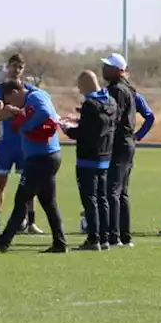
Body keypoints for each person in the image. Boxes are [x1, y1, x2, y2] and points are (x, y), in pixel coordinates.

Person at [0, 81, 68, 254]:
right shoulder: (32, 100)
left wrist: (25, 127)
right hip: (45, 157)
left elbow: (45, 112)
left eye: (9, 101)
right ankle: (60, 243)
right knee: (49, 203)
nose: (10, 105)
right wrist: (18, 114)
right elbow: (35, 114)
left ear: (14, 92)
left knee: (21, 199)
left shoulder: (35, 96)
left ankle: (3, 242)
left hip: (41, 159)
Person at [99, 53, 154, 247]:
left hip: (119, 143)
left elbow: (114, 117)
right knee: (121, 192)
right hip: (127, 143)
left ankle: (113, 237)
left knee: (112, 191)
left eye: (107, 66)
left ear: (118, 70)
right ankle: (125, 236)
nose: (103, 69)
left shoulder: (117, 90)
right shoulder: (129, 89)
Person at [61, 70, 116, 251]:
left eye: (79, 85)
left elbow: (83, 133)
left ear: (85, 85)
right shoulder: (110, 101)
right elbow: (98, 125)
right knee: (102, 199)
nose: (78, 89)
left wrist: (66, 128)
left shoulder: (90, 104)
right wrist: (78, 119)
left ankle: (93, 239)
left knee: (89, 199)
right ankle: (105, 239)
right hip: (105, 156)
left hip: (87, 158)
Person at [0, 54, 42, 234]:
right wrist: (14, 111)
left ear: (23, 69)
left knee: (30, 183)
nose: (16, 70)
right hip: (5, 144)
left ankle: (31, 223)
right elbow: (0, 114)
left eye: (19, 67)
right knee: (0, 183)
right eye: (13, 66)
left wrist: (15, 111)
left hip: (25, 143)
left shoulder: (30, 91)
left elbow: (34, 113)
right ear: (7, 67)